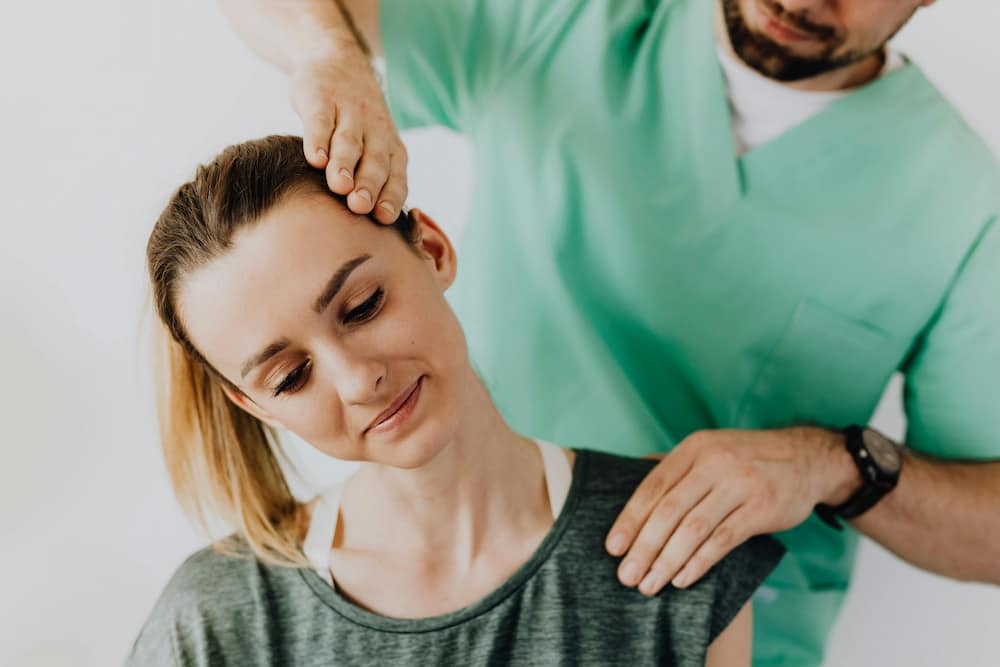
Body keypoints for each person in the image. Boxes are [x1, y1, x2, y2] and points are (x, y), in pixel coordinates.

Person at [219, 1, 1000, 665]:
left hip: (701, 628)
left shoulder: (962, 204)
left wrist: (833, 464)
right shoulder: (567, 21)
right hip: (448, 586)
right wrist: (331, 55)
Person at [127, 135, 785, 666]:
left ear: (433, 250)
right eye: (291, 376)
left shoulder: (682, 537)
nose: (358, 380)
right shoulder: (215, 620)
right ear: (256, 406)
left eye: (363, 305)